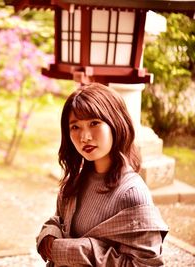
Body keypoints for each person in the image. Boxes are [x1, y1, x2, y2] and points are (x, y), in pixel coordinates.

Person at [36, 83, 169, 266]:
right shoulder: (76, 181)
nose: (85, 137)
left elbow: (145, 264)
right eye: (75, 127)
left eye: (94, 123)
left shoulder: (131, 193)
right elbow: (60, 220)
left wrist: (77, 250)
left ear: (116, 122)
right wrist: (49, 233)